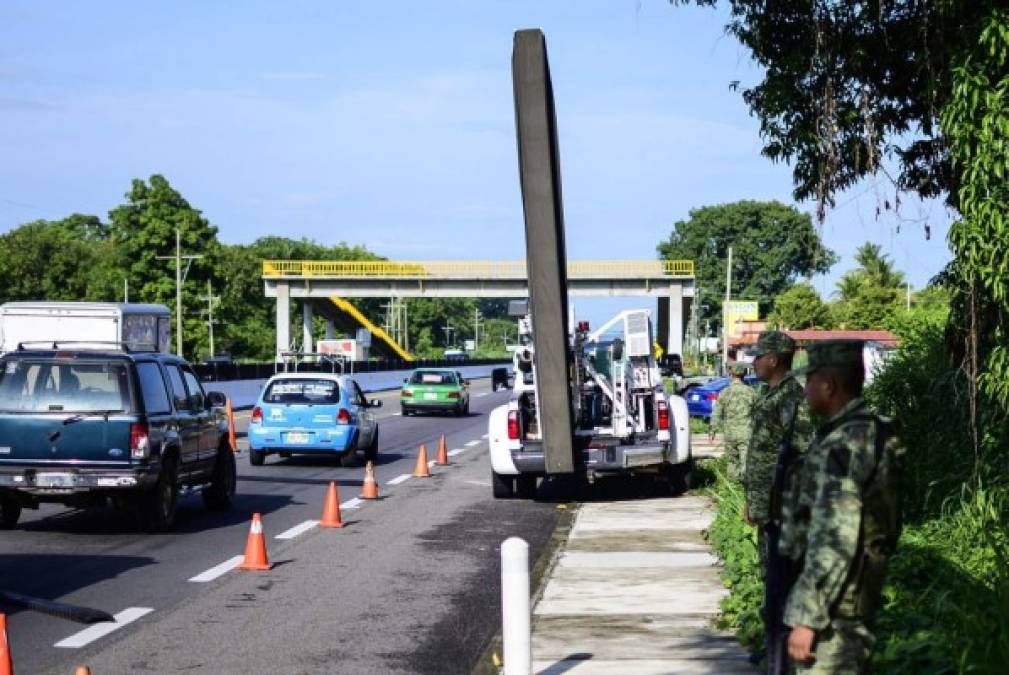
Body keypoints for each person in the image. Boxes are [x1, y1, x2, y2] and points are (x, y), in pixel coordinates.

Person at [779, 340, 903, 673]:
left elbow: (836, 537)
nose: (805, 390)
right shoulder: (867, 431)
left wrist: (808, 618)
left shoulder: (843, 446)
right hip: (849, 600)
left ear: (828, 385)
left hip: (834, 614)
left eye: (809, 381)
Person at [742, 330, 814, 672]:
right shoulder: (769, 393)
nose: (753, 361)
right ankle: (772, 644)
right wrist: (750, 500)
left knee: (783, 580)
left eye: (758, 356)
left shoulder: (791, 397)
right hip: (764, 503)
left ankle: (784, 652)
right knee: (768, 575)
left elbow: (801, 449)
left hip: (781, 505)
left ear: (773, 359)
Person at [711, 362, 757, 481]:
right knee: (746, 462)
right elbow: (759, 413)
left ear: (731, 374)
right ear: (744, 375)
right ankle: (745, 488)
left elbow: (716, 413)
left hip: (730, 433)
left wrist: (713, 430)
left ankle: (732, 486)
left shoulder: (724, 392)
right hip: (746, 432)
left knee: (732, 462)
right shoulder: (751, 392)